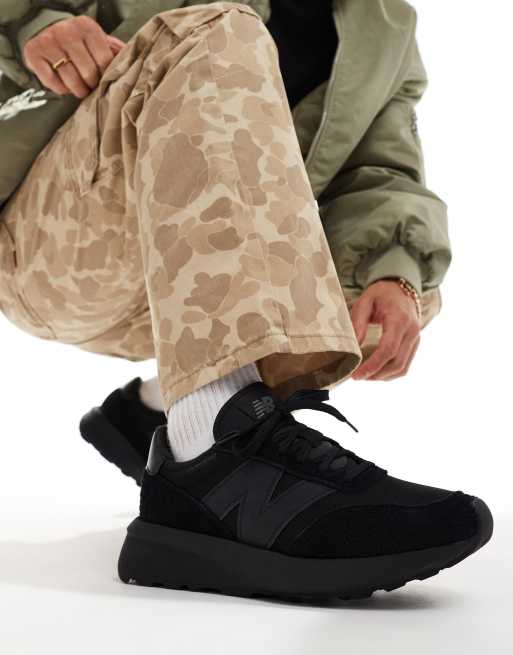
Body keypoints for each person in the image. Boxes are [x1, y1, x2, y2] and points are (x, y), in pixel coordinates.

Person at [0, 0, 492, 600]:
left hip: (180, 288)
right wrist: (31, 23)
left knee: (392, 276)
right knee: (217, 33)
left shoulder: (383, 23)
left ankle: (172, 410)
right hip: (44, 246)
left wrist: (396, 276)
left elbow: (379, 172)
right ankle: (213, 455)